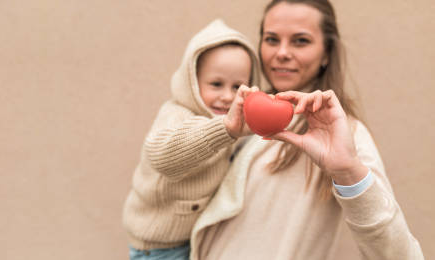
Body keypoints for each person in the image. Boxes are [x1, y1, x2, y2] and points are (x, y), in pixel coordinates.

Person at [189, 1, 424, 259]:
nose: (282, 52)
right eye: (271, 39)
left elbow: (401, 255)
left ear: (326, 53)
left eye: (300, 41)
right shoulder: (240, 115)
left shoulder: (344, 134)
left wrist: (348, 172)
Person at [122, 19, 261, 259]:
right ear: (192, 81)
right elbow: (163, 155)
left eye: (237, 86)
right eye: (216, 84)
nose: (227, 96)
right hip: (158, 246)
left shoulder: (230, 124)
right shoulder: (176, 114)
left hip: (189, 240)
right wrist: (225, 129)